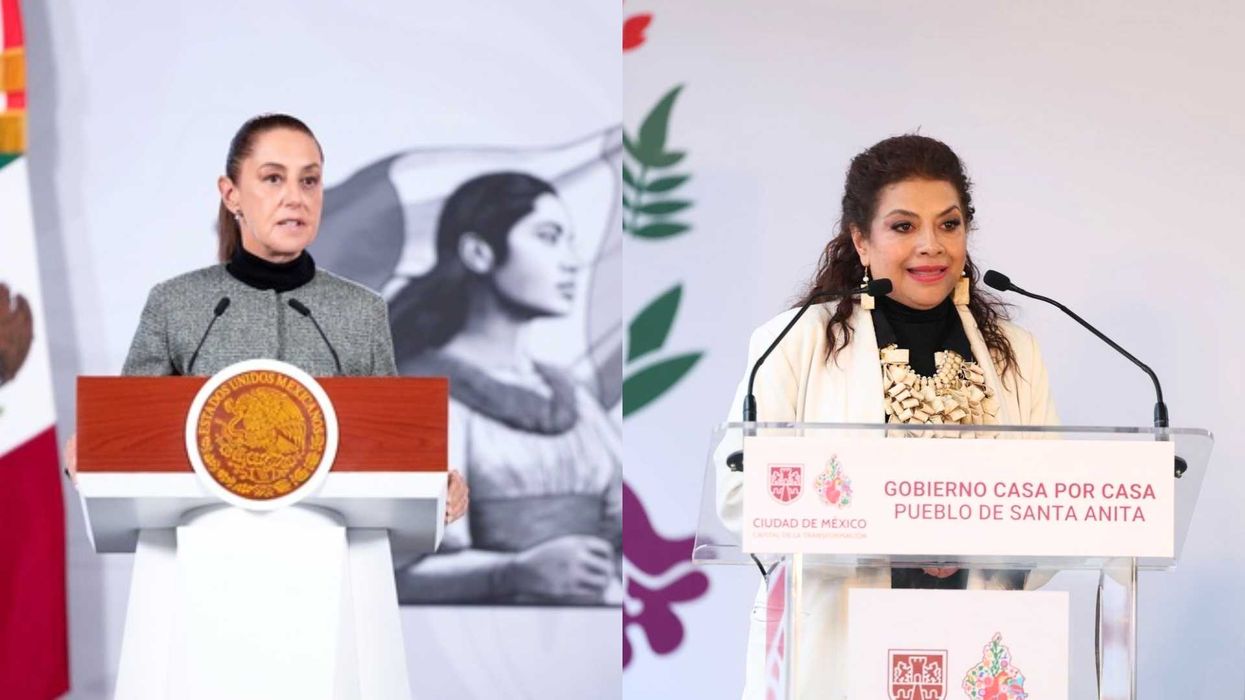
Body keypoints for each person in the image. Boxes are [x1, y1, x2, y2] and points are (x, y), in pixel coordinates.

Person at [715, 135, 1058, 698]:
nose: (931, 246)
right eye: (903, 226)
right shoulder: (795, 342)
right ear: (861, 240)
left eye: (949, 225)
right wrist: (899, 532)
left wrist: (973, 543)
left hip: (978, 647)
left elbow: (1057, 506)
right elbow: (739, 494)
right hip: (838, 647)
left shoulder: (1015, 353)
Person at [65, 113, 467, 523]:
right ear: (231, 194)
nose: (295, 197)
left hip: (326, 549)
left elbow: (394, 449)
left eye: (309, 181)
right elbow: (131, 436)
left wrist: (437, 487)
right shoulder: (175, 304)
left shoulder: (362, 311)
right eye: (273, 178)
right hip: (205, 547)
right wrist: (94, 452)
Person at [389, 172, 622, 605]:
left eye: (569, 241)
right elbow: (397, 570)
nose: (571, 261)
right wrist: (514, 573)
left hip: (596, 634)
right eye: (548, 237)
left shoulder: (573, 398)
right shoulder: (423, 396)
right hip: (472, 638)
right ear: (479, 252)